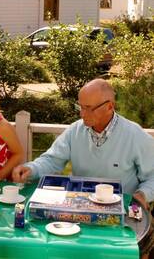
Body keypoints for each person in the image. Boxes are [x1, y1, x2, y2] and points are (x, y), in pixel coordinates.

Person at [12, 79, 154, 258]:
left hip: (121, 216)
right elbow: (52, 160)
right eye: (80, 106)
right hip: (79, 211)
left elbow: (153, 177)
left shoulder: (135, 135)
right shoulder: (75, 131)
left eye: (88, 108)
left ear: (110, 106)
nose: (82, 113)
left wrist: (143, 195)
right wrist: (30, 169)